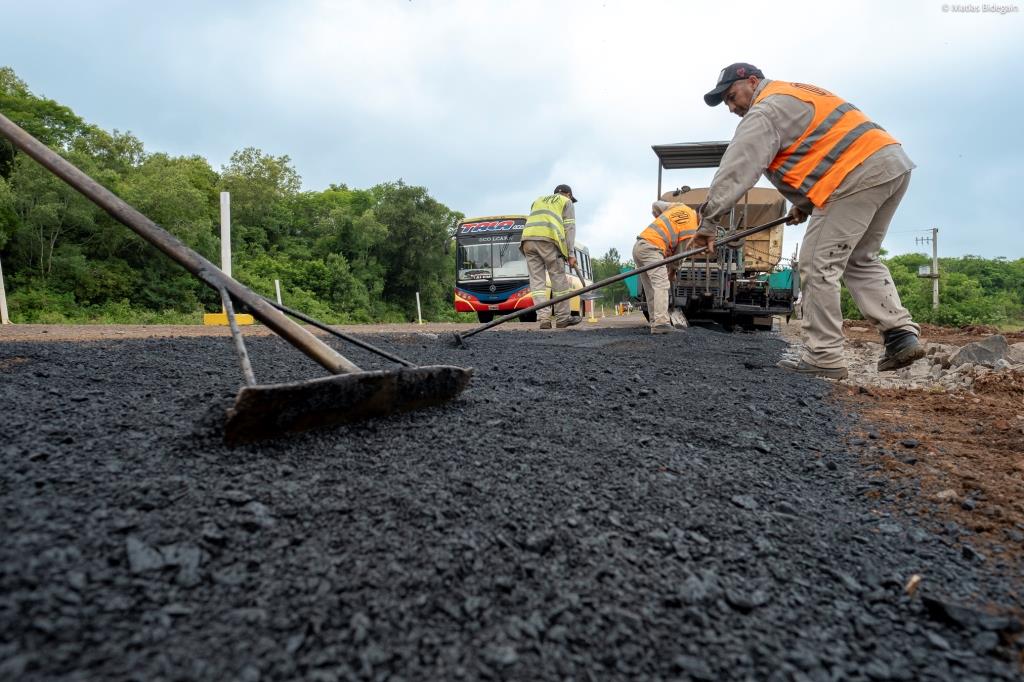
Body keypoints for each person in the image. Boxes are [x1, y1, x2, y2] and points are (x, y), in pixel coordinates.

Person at [692, 63, 924, 379]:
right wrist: (805, 202)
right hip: (889, 163)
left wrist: (708, 223)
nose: (732, 107)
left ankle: (824, 357)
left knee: (817, 263)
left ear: (752, 81)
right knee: (859, 259)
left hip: (854, 174)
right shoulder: (793, 93)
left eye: (732, 96)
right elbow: (813, 149)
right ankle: (900, 336)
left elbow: (737, 169)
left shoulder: (763, 112)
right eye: (727, 103)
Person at [521, 184, 582, 329]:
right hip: (548, 241)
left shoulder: (538, 200)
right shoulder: (566, 202)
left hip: (527, 240)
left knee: (537, 283)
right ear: (567, 194)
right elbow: (569, 228)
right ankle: (562, 318)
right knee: (558, 279)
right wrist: (571, 254)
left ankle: (544, 319)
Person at [633, 200, 698, 334]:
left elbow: (656, 205)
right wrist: (672, 271)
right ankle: (661, 323)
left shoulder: (681, 206)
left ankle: (655, 323)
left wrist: (662, 225)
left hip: (639, 246)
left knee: (651, 288)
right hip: (652, 248)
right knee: (662, 283)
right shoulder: (692, 229)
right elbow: (679, 256)